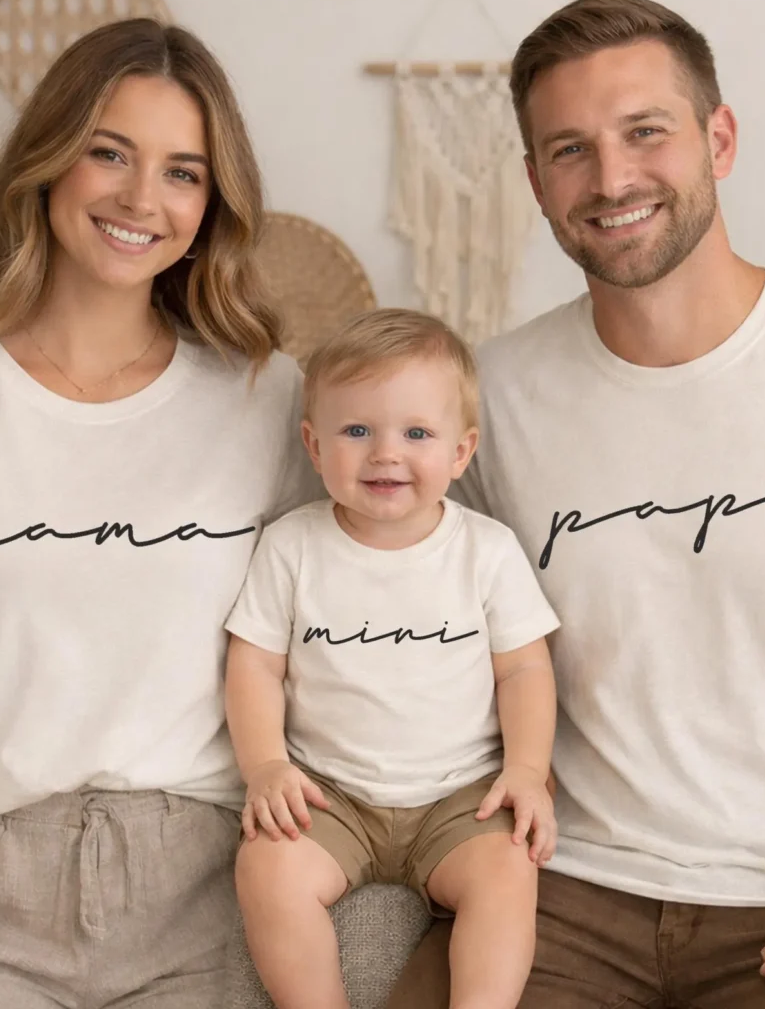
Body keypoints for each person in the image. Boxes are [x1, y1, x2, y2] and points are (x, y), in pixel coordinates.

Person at [386, 0, 765, 1009]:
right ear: (533, 182)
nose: (611, 179)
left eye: (644, 133)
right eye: (568, 150)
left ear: (719, 138)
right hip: (564, 892)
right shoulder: (490, 399)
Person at [0, 18, 318, 1009]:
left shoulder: (268, 398)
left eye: (182, 172)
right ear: (48, 160)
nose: (139, 199)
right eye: (107, 153)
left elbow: (320, 649)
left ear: (211, 203)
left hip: (204, 888)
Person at [223, 308, 561, 1009]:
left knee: (508, 868)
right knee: (267, 869)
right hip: (331, 793)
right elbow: (255, 665)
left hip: (459, 796)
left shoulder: (486, 551)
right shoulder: (293, 547)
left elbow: (525, 669)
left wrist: (527, 771)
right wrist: (265, 767)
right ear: (314, 447)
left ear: (461, 452)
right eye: (356, 431)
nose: (385, 454)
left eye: (416, 434)